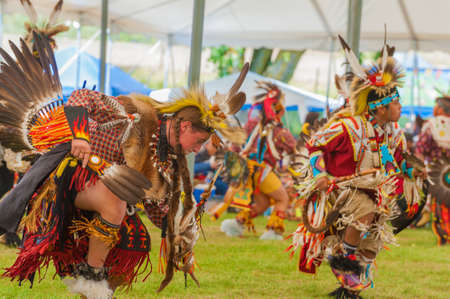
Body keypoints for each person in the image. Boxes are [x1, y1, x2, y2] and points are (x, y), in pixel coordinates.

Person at [0, 33, 248, 298]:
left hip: (105, 189)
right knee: (116, 202)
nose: (197, 149)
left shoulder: (167, 160)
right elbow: (82, 97)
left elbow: (155, 204)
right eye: (198, 141)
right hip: (69, 175)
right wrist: (80, 136)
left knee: (135, 243)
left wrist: (179, 231)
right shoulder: (134, 113)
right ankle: (92, 281)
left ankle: (97, 294)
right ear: (185, 126)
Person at [287, 36, 424, 299]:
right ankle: (344, 255)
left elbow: (398, 160)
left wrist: (412, 171)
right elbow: (314, 145)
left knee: (372, 242)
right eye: (396, 103)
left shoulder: (393, 132)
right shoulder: (347, 127)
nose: (401, 107)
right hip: (344, 189)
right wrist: (320, 174)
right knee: (365, 209)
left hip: (377, 192)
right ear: (380, 107)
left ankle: (348, 291)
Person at [220, 81, 296, 240]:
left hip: (248, 170)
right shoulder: (279, 130)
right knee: (283, 199)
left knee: (262, 205)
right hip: (263, 172)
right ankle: (273, 231)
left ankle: (236, 224)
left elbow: (236, 142)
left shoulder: (252, 123)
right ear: (278, 109)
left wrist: (235, 162)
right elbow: (292, 147)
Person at [415, 93, 450, 245]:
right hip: (444, 170)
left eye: (436, 106)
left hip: (437, 171)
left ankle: (444, 235)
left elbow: (421, 148)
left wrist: (420, 166)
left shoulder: (431, 124)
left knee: (440, 202)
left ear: (440, 109)